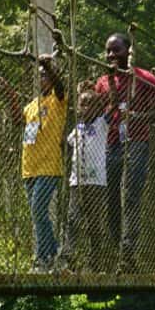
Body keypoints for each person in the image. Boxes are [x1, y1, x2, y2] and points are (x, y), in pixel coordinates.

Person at [95, 33, 155, 273]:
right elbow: (97, 112)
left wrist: (135, 117)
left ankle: (128, 253)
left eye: (116, 50)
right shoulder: (103, 82)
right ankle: (117, 250)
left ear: (128, 51)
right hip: (111, 144)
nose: (111, 55)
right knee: (111, 198)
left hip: (137, 142)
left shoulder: (146, 79)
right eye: (108, 50)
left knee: (131, 195)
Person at [0, 54, 66, 272]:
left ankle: (43, 257)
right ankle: (53, 254)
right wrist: (9, 94)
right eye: (40, 76)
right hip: (29, 168)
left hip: (48, 166)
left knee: (38, 210)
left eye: (45, 75)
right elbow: (19, 120)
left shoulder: (58, 100)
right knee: (37, 215)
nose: (42, 78)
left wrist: (47, 65)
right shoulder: (32, 106)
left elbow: (60, 87)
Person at [59, 88, 110, 272]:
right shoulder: (77, 128)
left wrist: (111, 84)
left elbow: (112, 105)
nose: (85, 108)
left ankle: (94, 262)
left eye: (89, 105)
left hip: (96, 183)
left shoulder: (101, 124)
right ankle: (68, 257)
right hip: (77, 182)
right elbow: (67, 144)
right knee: (72, 219)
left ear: (97, 108)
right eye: (82, 104)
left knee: (94, 223)